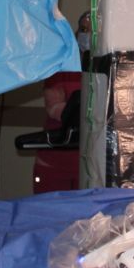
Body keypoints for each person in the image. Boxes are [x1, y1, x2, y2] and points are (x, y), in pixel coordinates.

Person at [33, 12, 92, 194]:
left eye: (92, 31)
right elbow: (54, 108)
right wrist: (92, 112)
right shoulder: (61, 67)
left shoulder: (108, 70)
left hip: (89, 164)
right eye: (83, 30)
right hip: (54, 162)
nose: (87, 35)